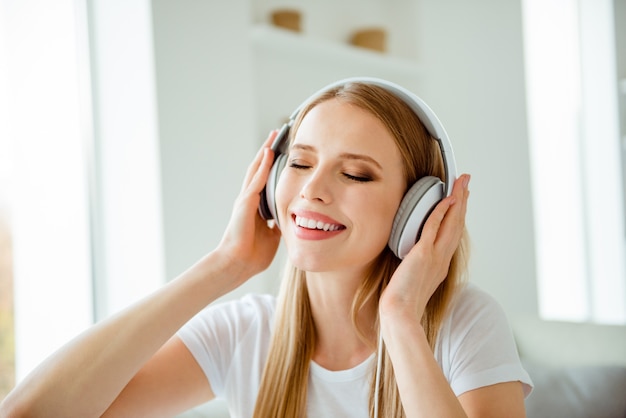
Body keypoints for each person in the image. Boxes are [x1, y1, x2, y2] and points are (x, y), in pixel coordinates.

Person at [0, 78, 532, 418]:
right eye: (299, 163)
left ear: (415, 211)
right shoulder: (246, 332)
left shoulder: (462, 325)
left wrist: (399, 319)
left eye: (355, 173)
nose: (312, 189)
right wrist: (222, 267)